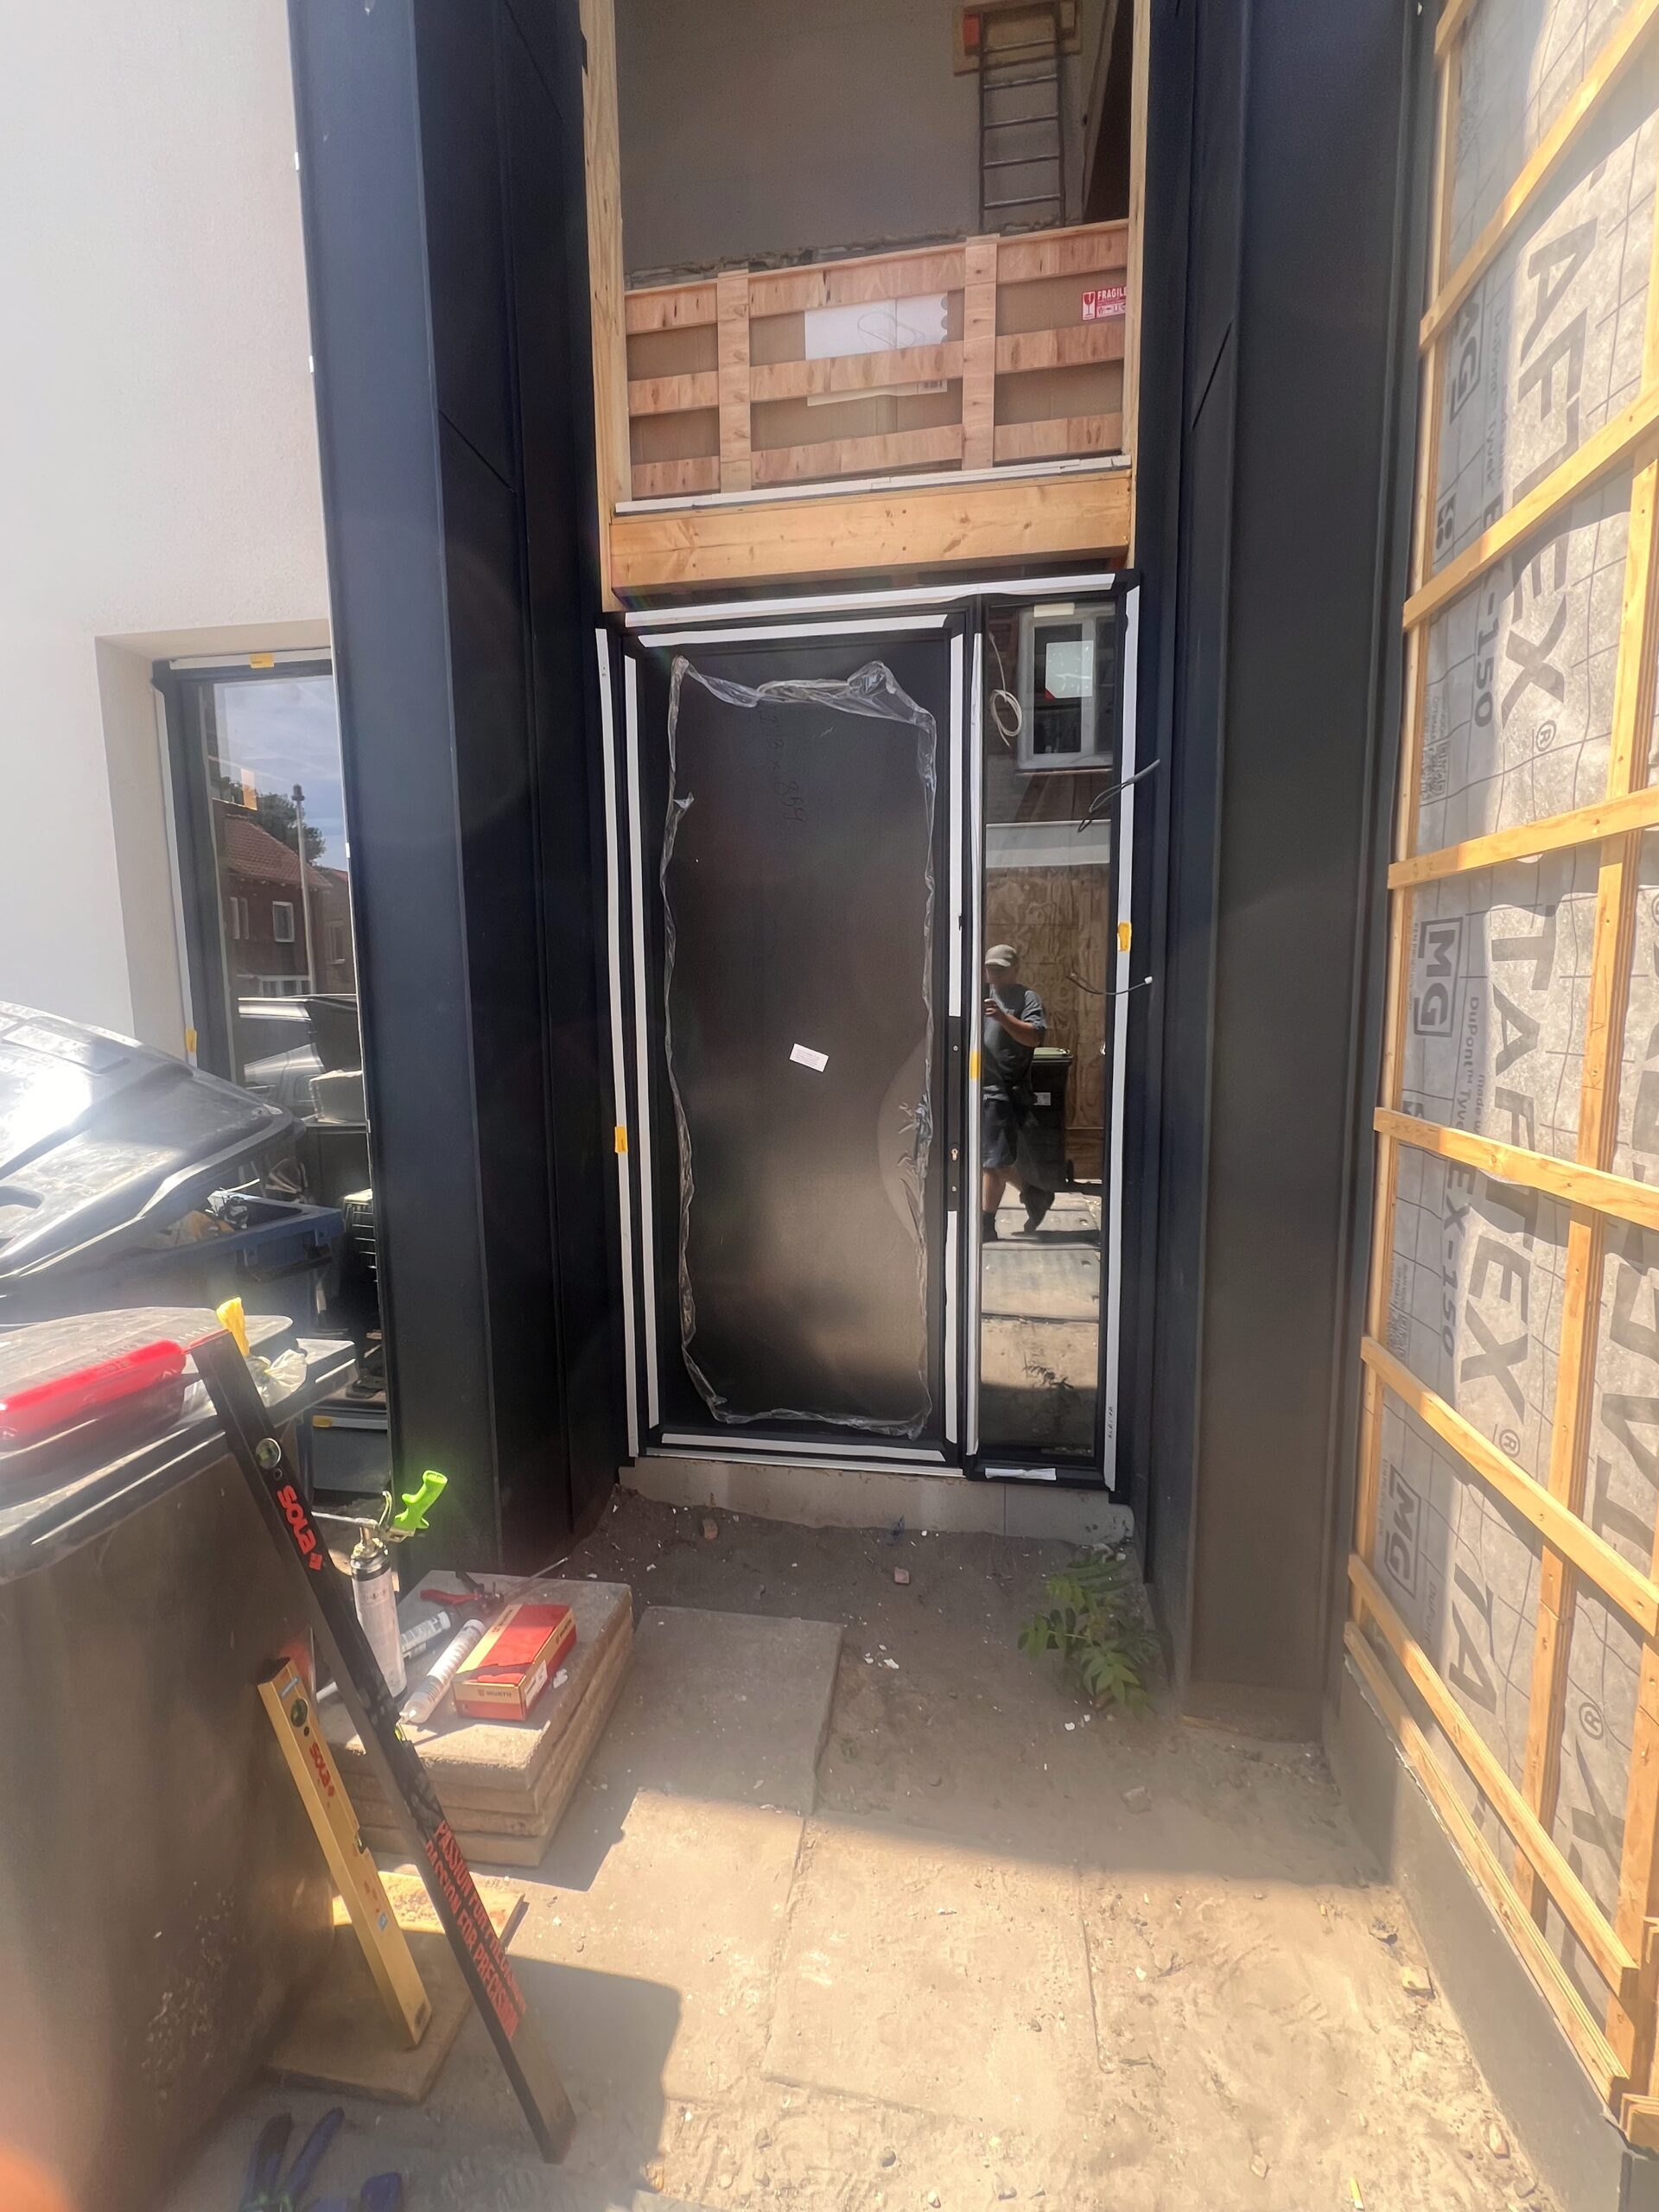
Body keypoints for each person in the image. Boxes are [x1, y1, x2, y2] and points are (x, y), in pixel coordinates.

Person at [981, 943, 1052, 1239]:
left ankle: (985, 1226)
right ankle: (1035, 1194)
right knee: (991, 1159)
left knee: (993, 1162)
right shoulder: (978, 993)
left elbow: (1035, 1037)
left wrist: (1002, 1017)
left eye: (1000, 969)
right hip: (978, 1087)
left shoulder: (1026, 998)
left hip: (1005, 1090)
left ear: (1015, 969)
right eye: (990, 969)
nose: (994, 974)